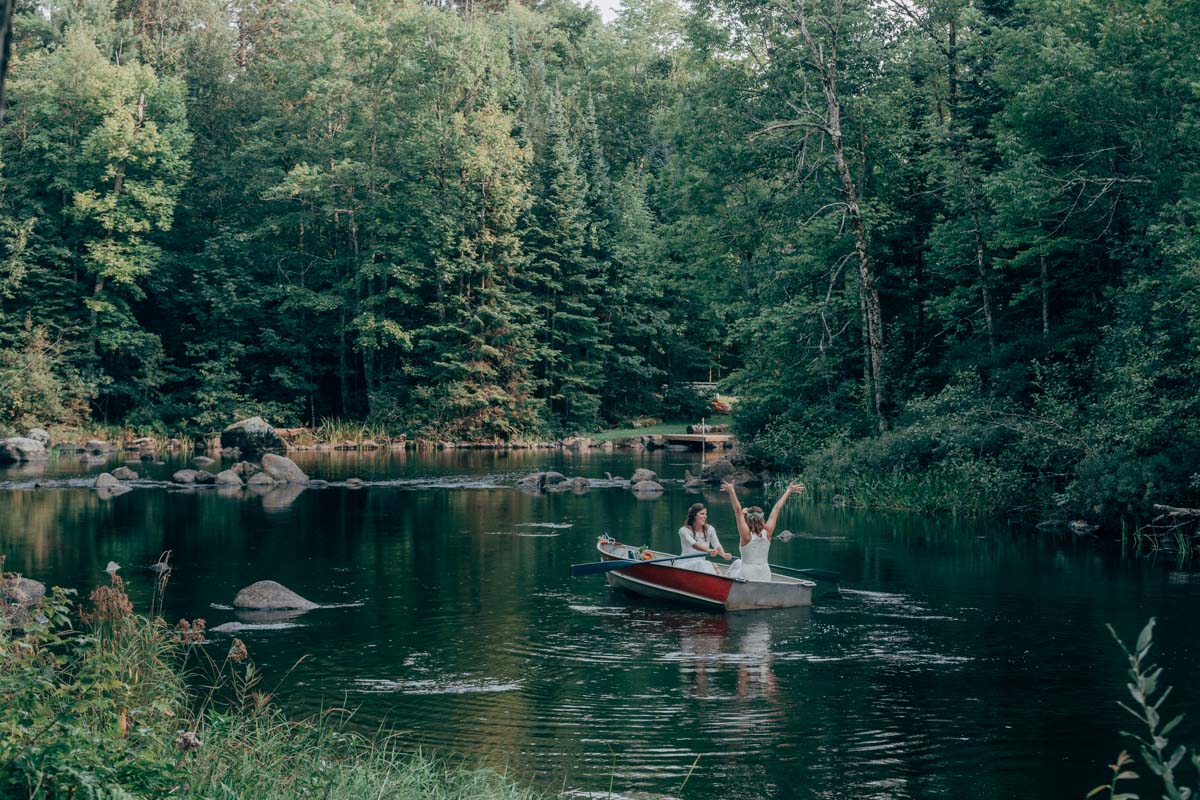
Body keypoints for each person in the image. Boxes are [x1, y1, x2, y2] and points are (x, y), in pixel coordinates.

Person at [722, 481, 804, 582]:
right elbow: (776, 509)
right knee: (738, 562)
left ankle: (721, 582)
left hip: (747, 575)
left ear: (748, 519)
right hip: (765, 574)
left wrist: (732, 491)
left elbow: (738, 511)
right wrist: (789, 490)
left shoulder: (746, 536)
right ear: (761, 519)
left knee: (734, 567)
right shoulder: (767, 532)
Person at [678, 503, 732, 574]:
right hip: (686, 565)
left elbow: (717, 545)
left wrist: (723, 554)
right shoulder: (684, 530)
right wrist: (709, 550)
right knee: (704, 564)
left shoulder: (710, 529)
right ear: (694, 516)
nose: (705, 516)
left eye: (705, 514)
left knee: (708, 564)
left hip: (701, 565)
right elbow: (694, 544)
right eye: (702, 514)